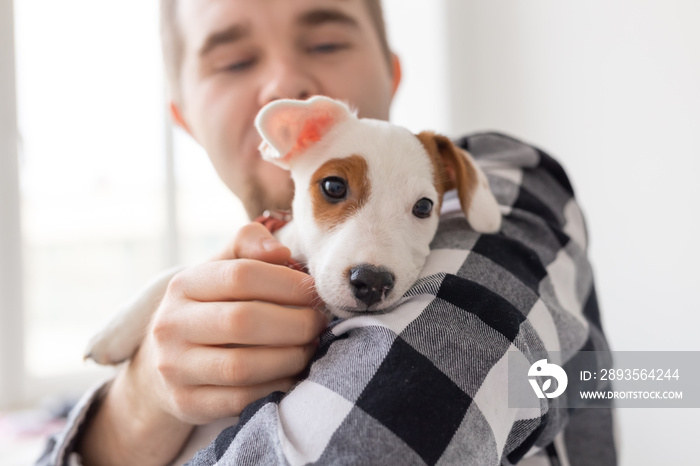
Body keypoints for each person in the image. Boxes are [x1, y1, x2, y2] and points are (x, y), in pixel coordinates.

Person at [38, 0, 616, 465]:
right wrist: (137, 404)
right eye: (235, 61)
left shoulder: (508, 182)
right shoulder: (221, 281)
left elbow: (370, 442)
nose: (284, 78)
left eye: (325, 42)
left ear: (391, 69)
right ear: (185, 116)